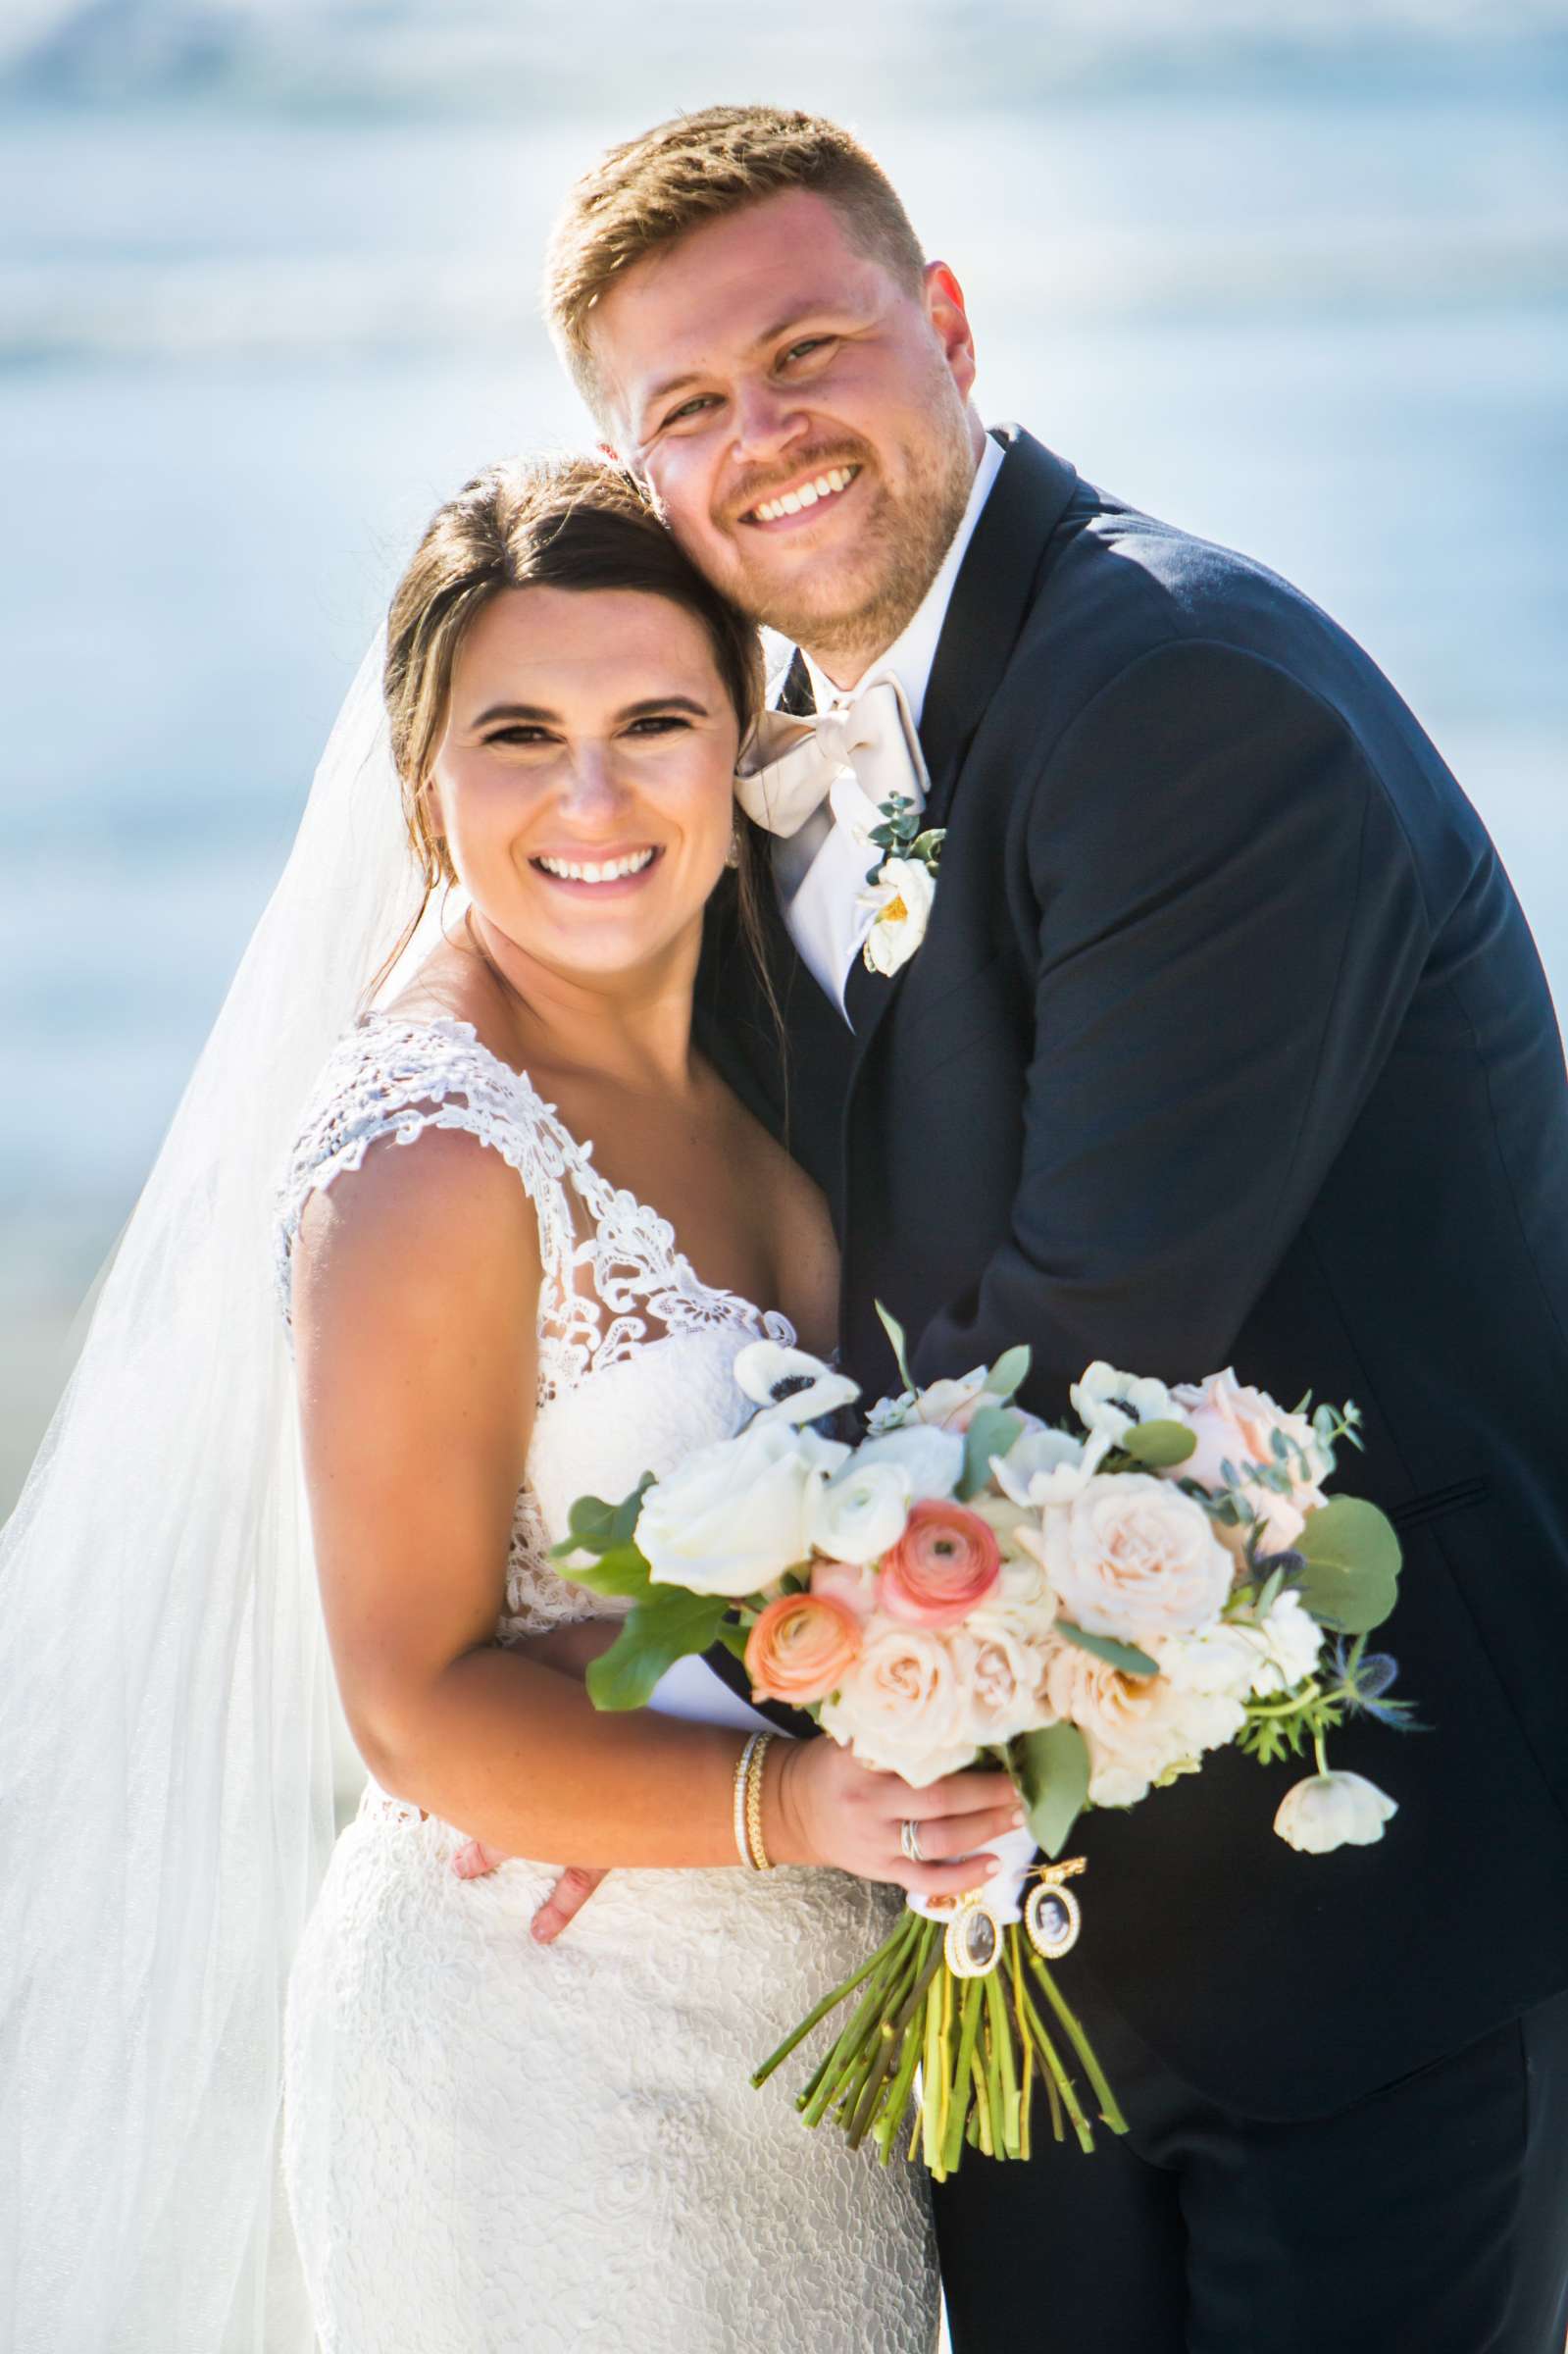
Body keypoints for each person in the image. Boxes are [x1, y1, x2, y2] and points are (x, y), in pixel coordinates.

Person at [532, 103, 1568, 2350]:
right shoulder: (783, 750)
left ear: (952, 325)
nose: (764, 435)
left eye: (810, 348)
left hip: (1352, 1921)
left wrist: (634, 1749)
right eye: (686, 408)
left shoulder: (1182, 706)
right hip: (1026, 1923)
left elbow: (1077, 1356)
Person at [6, 451, 1049, 2349]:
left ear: (743, 748)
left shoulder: (774, 1045)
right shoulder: (426, 1149)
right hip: (543, 2060)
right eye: (517, 734)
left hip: (808, 2054)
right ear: (427, 784)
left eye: (655, 719)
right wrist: (792, 1795)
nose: (592, 796)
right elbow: (410, 1706)